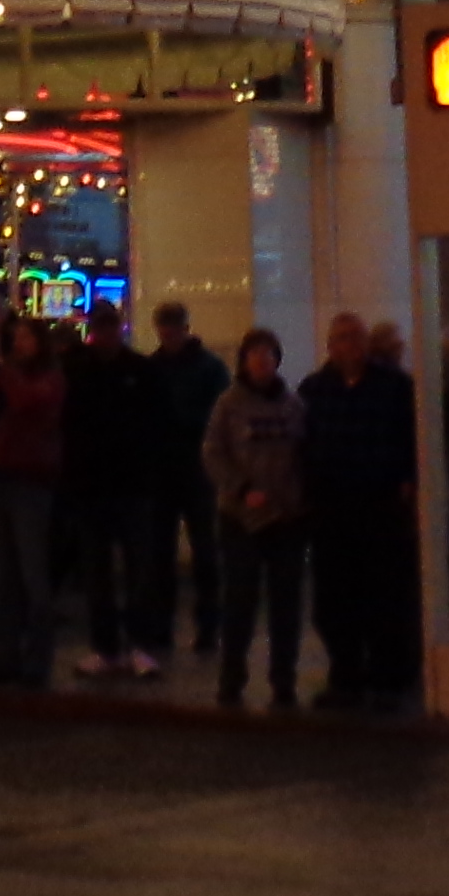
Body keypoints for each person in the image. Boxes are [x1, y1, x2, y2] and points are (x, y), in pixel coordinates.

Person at [304, 310, 421, 711]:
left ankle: (389, 673)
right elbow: (304, 446)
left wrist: (406, 481)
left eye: (355, 337)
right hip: (333, 508)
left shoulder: (394, 387)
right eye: (340, 338)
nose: (348, 345)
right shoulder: (316, 390)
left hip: (380, 504)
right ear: (330, 346)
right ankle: (346, 672)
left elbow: (410, 440)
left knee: (384, 591)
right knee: (336, 595)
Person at [201, 326, 310, 708]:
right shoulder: (229, 404)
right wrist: (241, 488)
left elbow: (303, 455)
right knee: (240, 600)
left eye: (268, 354)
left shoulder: (293, 404)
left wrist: (297, 499)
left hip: (286, 518)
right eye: (255, 354)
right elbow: (213, 453)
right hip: (240, 518)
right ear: (244, 360)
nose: (262, 361)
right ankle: (232, 677)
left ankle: (284, 679)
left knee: (286, 604)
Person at [62, 303, 165, 676]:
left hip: (125, 484)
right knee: (104, 573)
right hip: (100, 486)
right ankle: (114, 646)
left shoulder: (124, 371)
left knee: (130, 570)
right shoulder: (91, 371)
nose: (106, 334)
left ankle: (130, 645)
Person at [0, 309, 69, 684]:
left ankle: (37, 660)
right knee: (3, 575)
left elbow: (25, 401)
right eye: (18, 338)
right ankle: (7, 655)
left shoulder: (52, 378)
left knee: (32, 575)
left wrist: (2, 367)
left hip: (30, 479)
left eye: (27, 338)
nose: (20, 344)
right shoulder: (9, 374)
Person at [145, 298, 229, 667]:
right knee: (194, 551)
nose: (169, 332)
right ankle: (202, 626)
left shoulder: (153, 369)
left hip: (178, 468)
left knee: (183, 552)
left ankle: (176, 626)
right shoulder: (209, 368)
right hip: (186, 468)